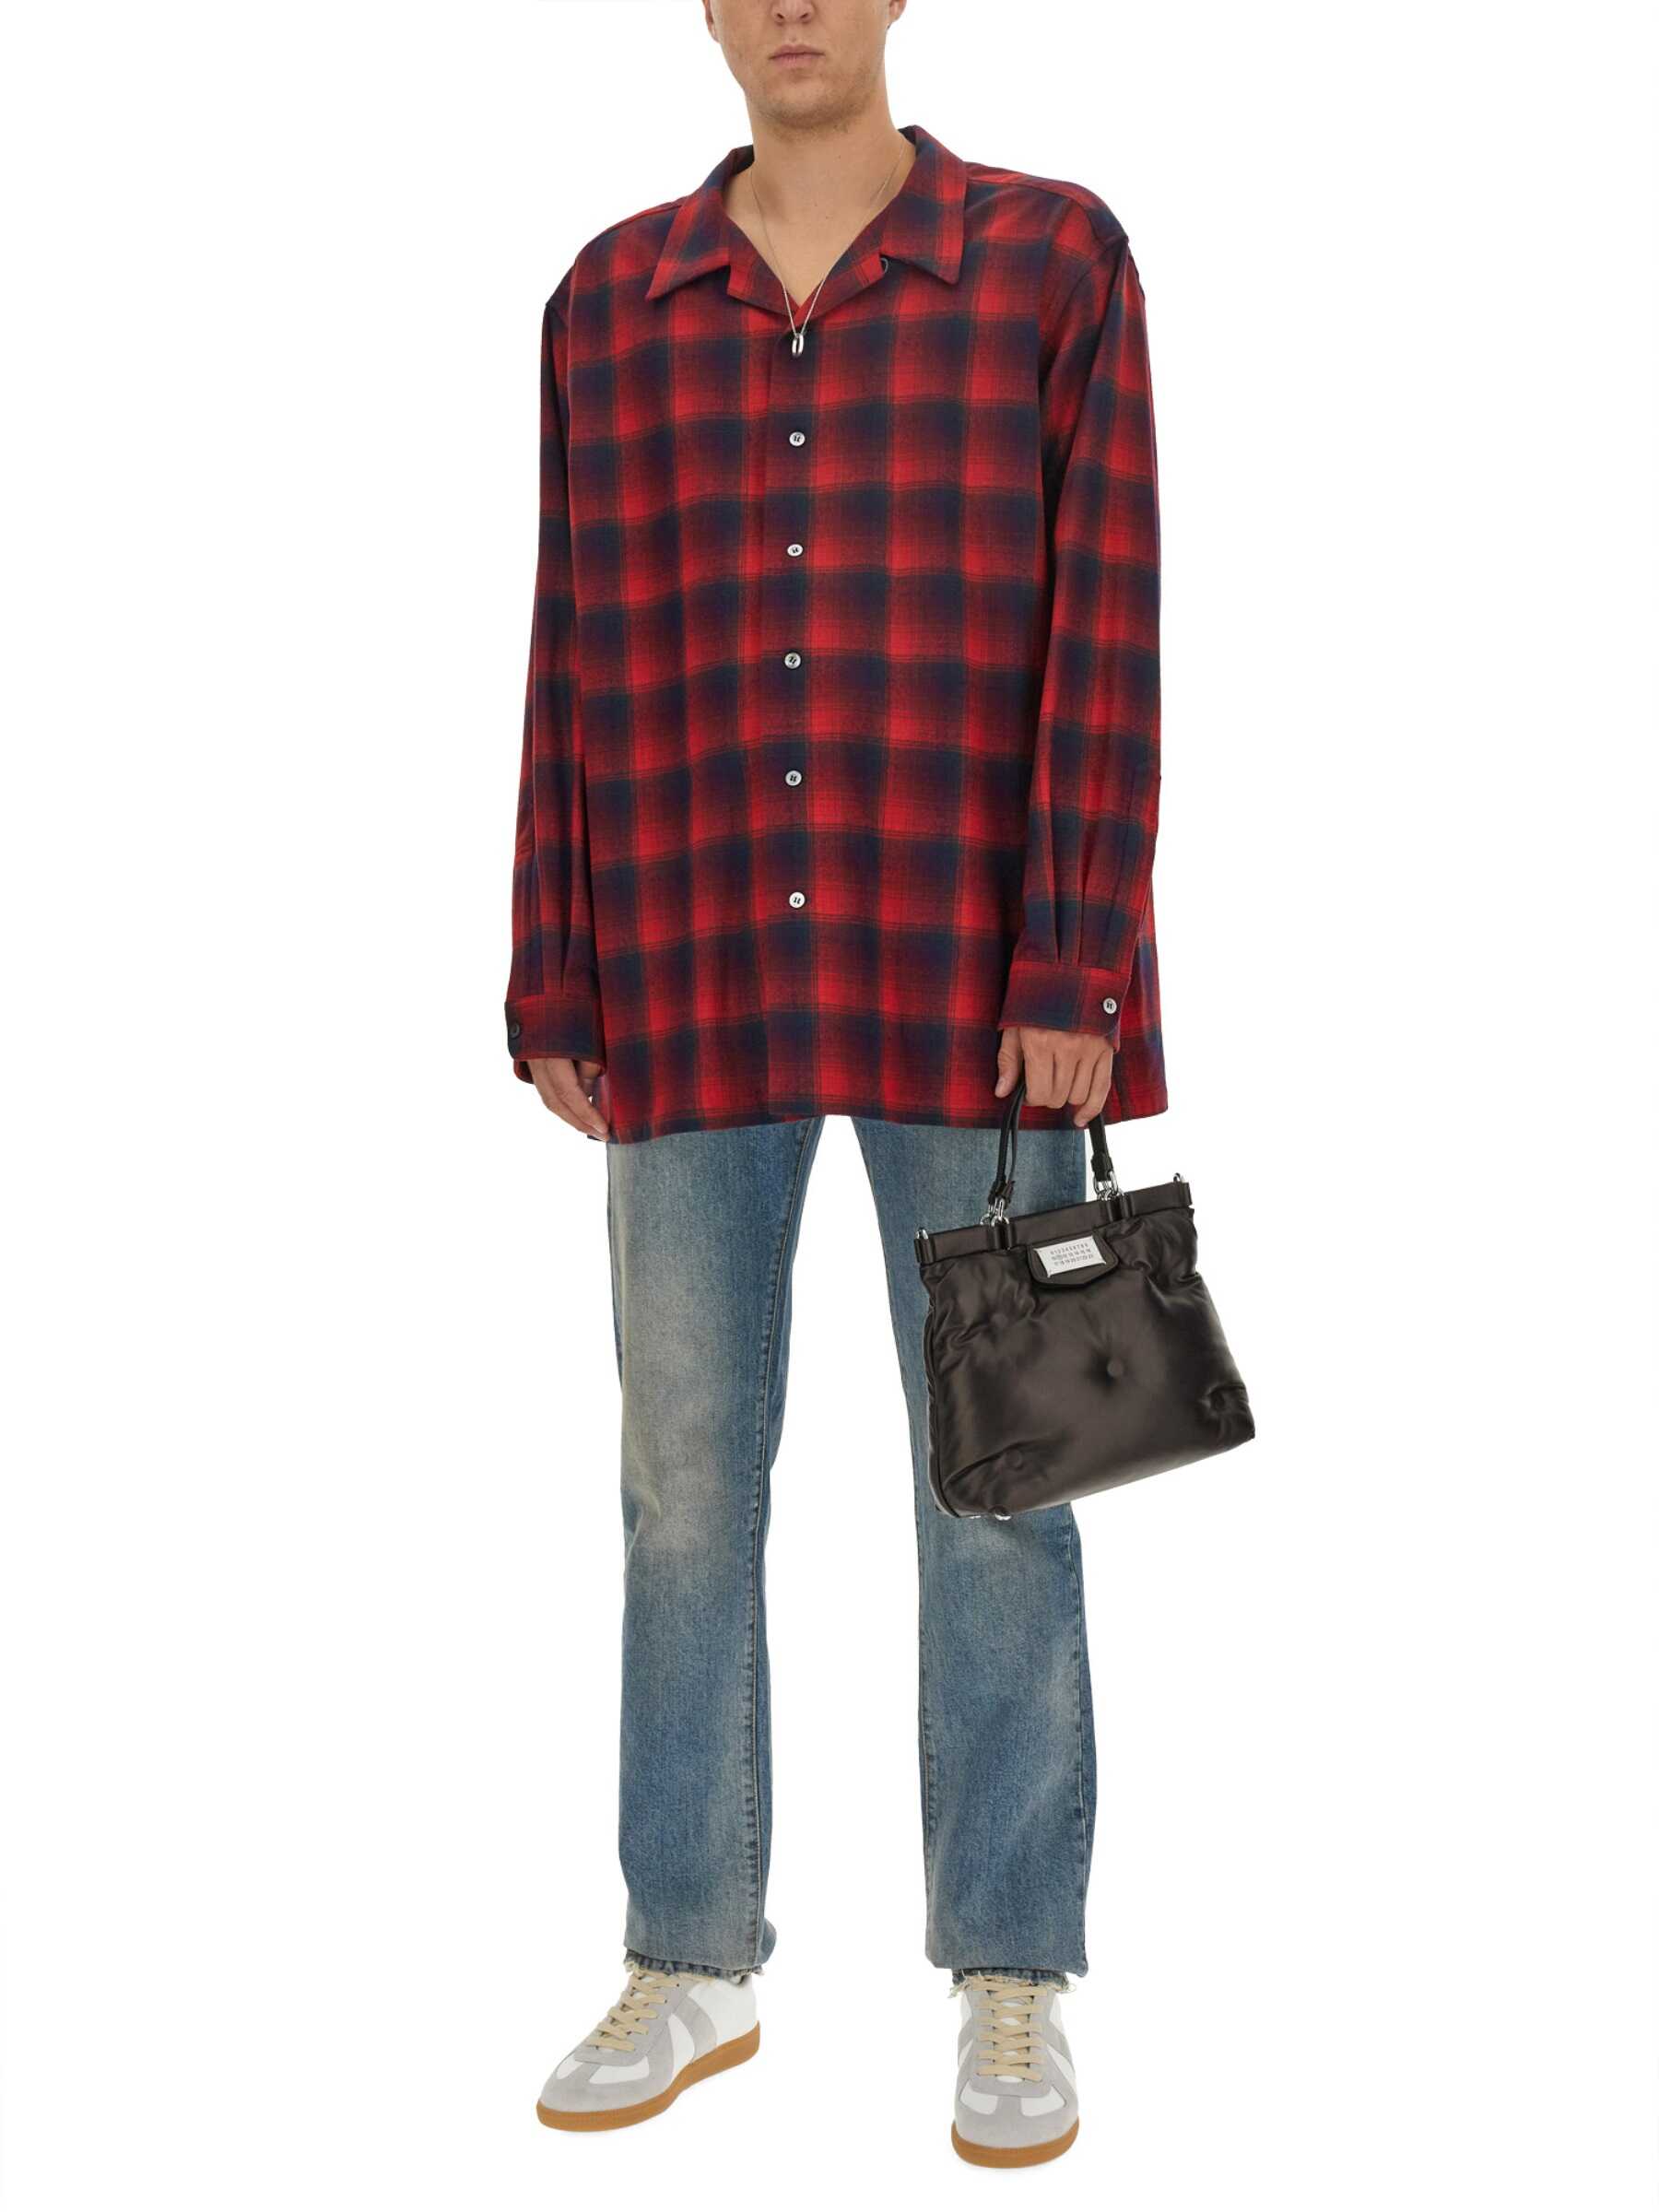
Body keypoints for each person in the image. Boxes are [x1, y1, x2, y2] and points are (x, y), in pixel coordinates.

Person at [506, 0, 1165, 2169]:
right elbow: (571, 647)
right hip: (688, 963)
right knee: (683, 1483)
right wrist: (553, 956)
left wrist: (1077, 954)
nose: (791, 3)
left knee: (1012, 1475)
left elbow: (1108, 628)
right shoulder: (609, 303)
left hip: (982, 987)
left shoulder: (1052, 260)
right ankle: (688, 1953)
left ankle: (1012, 1969)